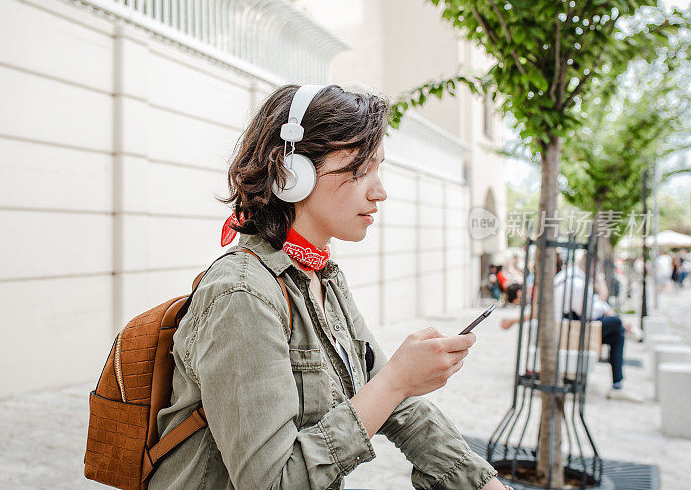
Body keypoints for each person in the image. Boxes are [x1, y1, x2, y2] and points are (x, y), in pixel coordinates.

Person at [149, 84, 511, 490]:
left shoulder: (322, 276)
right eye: (360, 170)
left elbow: (396, 401)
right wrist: (396, 382)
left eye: (379, 168)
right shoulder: (243, 295)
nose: (380, 191)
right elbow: (271, 483)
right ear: (292, 174)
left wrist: (481, 483)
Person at [501, 266, 643, 402]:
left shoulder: (543, 289)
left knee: (617, 333)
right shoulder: (561, 282)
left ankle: (618, 384)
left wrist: (513, 321)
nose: (522, 304)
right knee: (617, 326)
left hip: (569, 329)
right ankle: (618, 381)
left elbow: (539, 312)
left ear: (519, 293)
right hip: (567, 330)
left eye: (519, 301)